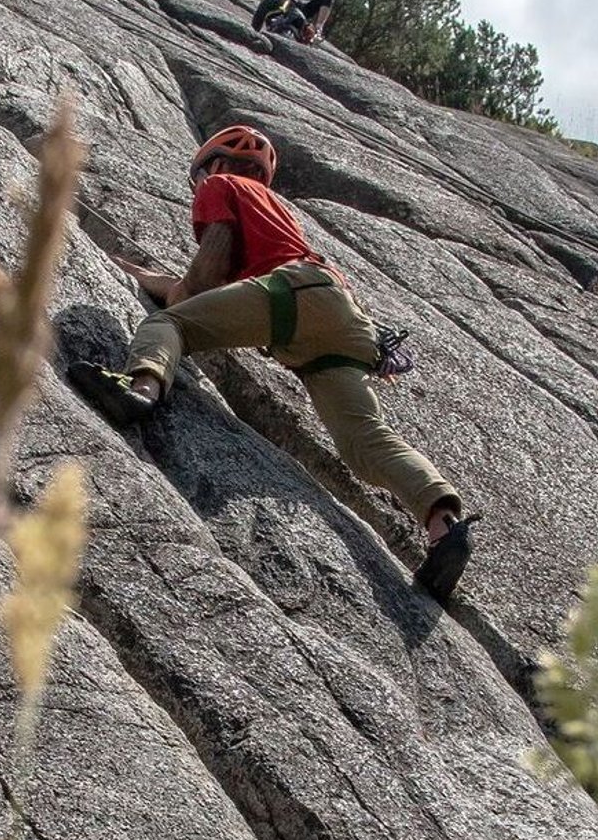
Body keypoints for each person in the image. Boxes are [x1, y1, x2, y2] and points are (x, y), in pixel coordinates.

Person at [68, 125, 479, 596]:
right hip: (342, 319)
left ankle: (140, 391)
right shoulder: (279, 214)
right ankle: (444, 526)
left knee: (169, 327)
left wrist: (168, 292)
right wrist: (148, 277)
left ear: (214, 166)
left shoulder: (220, 186)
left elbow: (207, 278)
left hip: (292, 300)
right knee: (364, 441)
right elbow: (224, 293)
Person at [252, 0, 331, 44]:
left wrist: (318, 27)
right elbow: (258, 20)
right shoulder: (271, 1)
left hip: (295, 24)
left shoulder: (300, 5)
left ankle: (315, 32)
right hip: (281, 24)